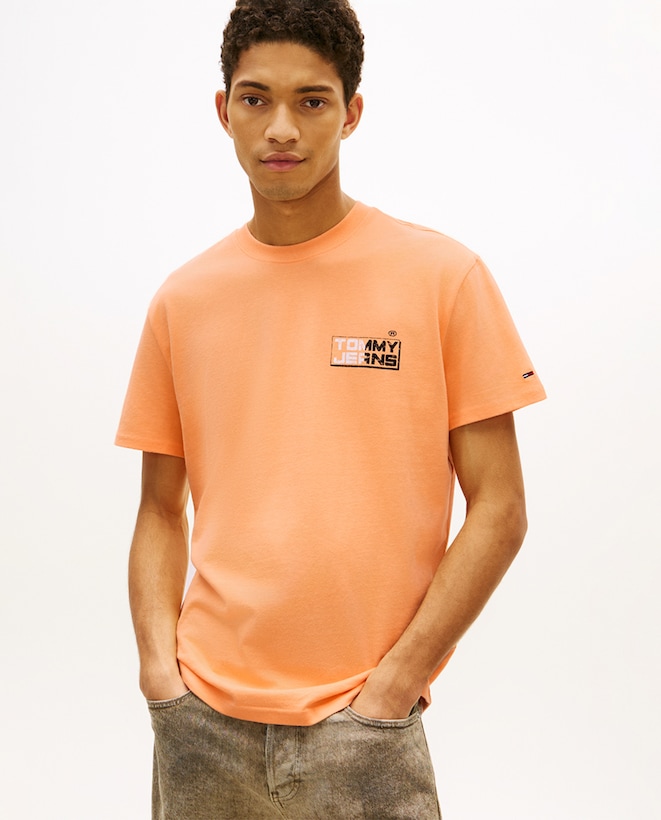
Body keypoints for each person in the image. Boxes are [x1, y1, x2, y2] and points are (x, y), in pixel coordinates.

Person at [116, 0, 546, 817]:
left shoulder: (442, 278)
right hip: (200, 721)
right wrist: (159, 675)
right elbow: (160, 509)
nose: (281, 128)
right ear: (224, 111)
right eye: (256, 98)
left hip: (365, 722)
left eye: (311, 100)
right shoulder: (184, 299)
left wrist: (395, 684)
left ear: (350, 113)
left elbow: (500, 508)